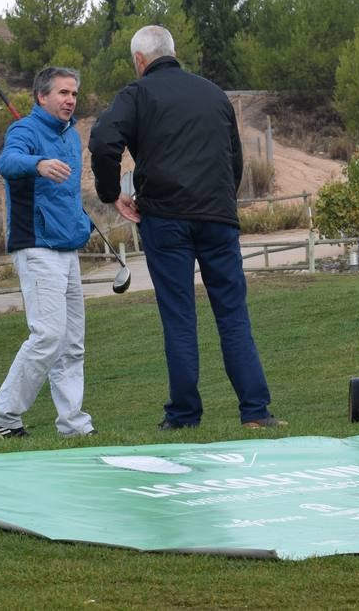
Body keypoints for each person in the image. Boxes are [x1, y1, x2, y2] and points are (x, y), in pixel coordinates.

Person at [89, 26, 284, 431]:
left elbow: (104, 140)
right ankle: (255, 412)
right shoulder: (214, 94)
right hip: (217, 218)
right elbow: (234, 159)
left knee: (179, 316)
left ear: (140, 60)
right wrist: (219, 199)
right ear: (173, 52)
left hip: (165, 219)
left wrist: (111, 193)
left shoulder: (137, 94)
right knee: (232, 314)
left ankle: (183, 415)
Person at [0, 67, 97, 439]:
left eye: (74, 94)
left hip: (66, 247)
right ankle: (3, 414)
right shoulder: (24, 131)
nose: (70, 100)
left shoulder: (69, 136)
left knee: (71, 343)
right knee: (48, 335)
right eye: (63, 93)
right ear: (41, 97)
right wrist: (37, 163)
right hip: (36, 246)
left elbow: (67, 195)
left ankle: (73, 424)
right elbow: (7, 163)